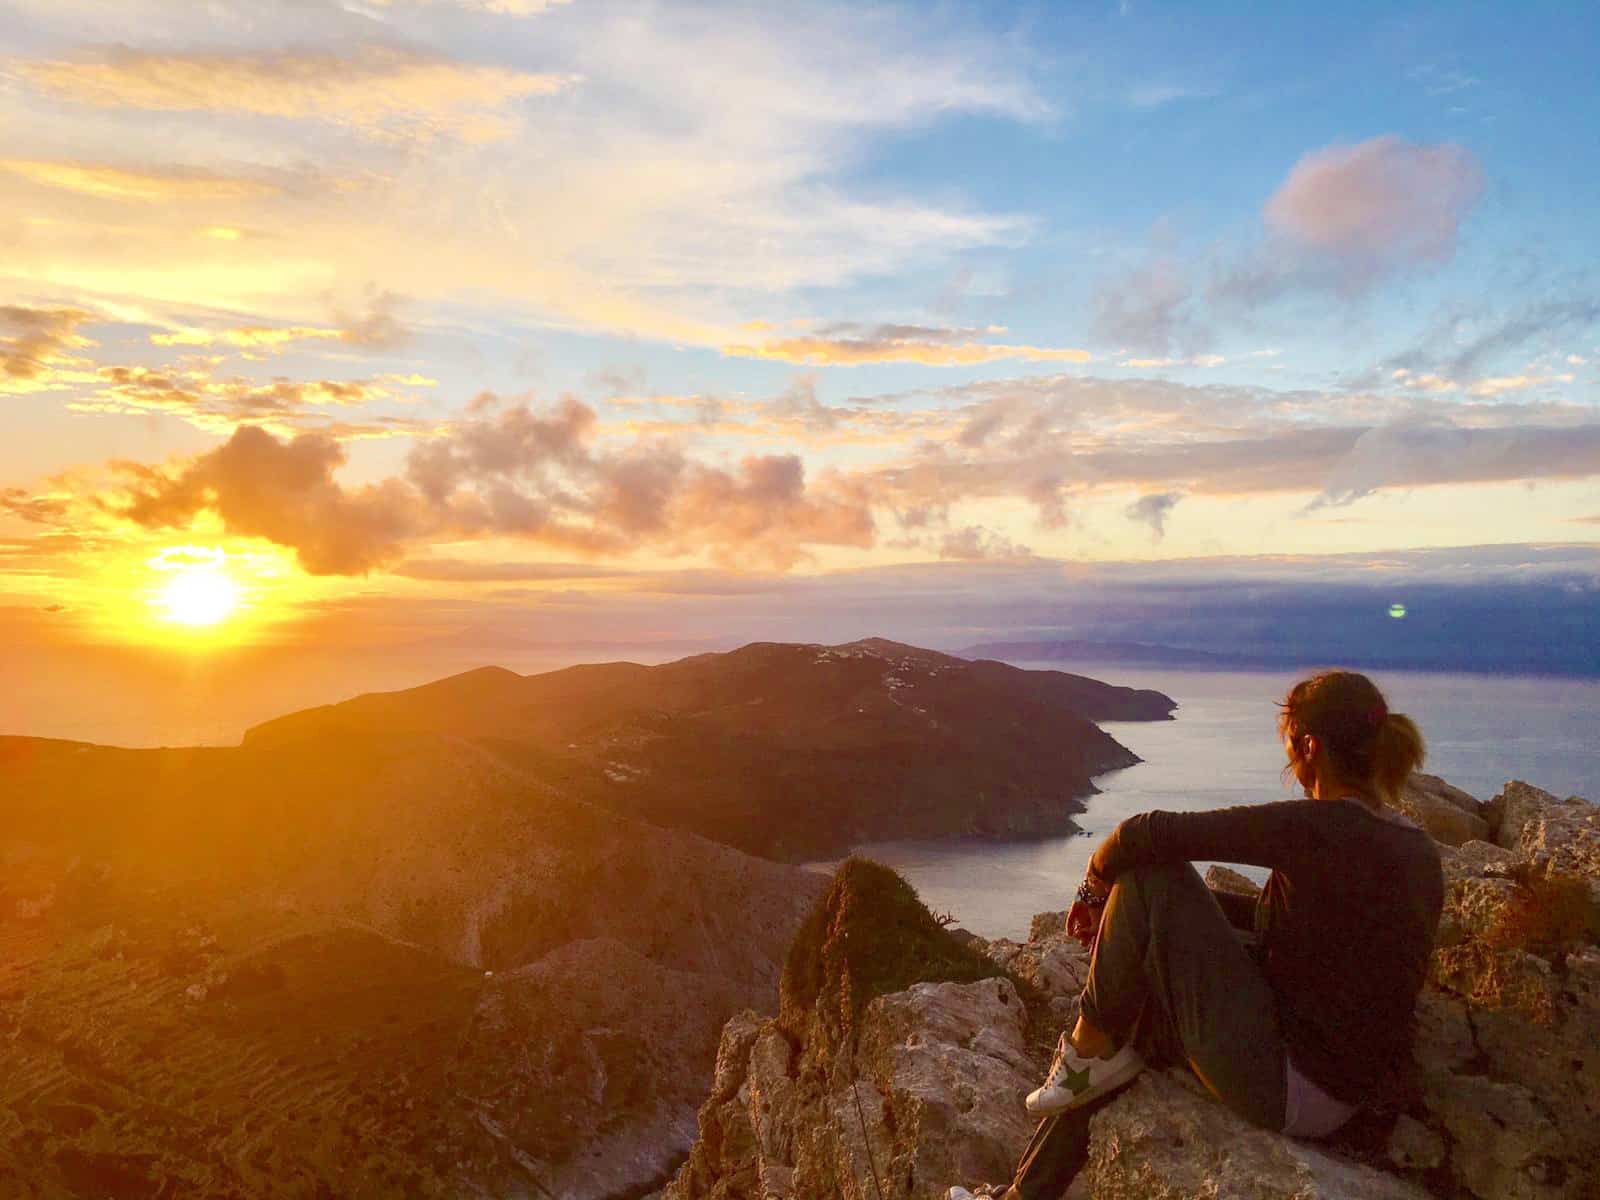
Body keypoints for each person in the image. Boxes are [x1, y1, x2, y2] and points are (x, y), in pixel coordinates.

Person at [947, 670, 1445, 1200]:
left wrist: (1096, 890)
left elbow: (1144, 834)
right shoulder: (1412, 847)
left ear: (1309, 745)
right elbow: (1299, 931)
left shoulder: (1320, 828)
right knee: (1143, 1009)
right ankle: (1026, 1193)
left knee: (1150, 878)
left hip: (1288, 1085)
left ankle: (1084, 1050)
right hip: (1339, 1088)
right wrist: (1157, 927)